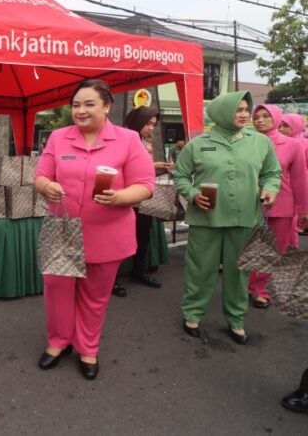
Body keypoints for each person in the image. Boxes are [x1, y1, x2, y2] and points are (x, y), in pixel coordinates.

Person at [33, 79, 155, 380]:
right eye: (76, 105)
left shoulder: (128, 139)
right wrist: (47, 186)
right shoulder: (59, 138)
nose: (81, 110)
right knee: (57, 290)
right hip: (62, 229)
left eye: (89, 104)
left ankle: (88, 347)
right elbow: (40, 175)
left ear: (107, 106)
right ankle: (59, 342)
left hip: (108, 232)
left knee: (95, 295)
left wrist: (121, 198)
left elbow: (146, 186)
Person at [173, 91, 281, 345]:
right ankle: (192, 314)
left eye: (246, 109)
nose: (244, 114)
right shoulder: (197, 145)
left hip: (245, 217)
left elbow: (272, 173)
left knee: (239, 272)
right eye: (237, 110)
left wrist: (270, 189)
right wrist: (192, 193)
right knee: (200, 269)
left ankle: (236, 319)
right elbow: (180, 175)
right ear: (221, 112)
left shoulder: (260, 142)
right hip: (206, 217)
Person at [248, 106, 308, 308]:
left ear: (276, 118)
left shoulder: (293, 145)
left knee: (272, 249)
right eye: (256, 117)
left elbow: (300, 179)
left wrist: (303, 209)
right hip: (248, 204)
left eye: (266, 116)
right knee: (246, 246)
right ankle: (246, 286)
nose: (260, 120)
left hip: (282, 205)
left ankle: (261, 289)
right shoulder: (245, 141)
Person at [111, 106, 170, 297]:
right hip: (126, 197)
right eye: (147, 123)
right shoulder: (123, 140)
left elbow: (142, 171)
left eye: (153, 124)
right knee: (119, 239)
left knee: (142, 237)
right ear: (136, 122)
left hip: (143, 198)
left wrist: (160, 168)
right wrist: (153, 165)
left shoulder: (146, 142)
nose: (151, 128)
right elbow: (121, 166)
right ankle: (112, 279)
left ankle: (138, 271)